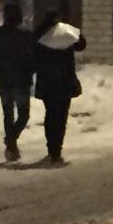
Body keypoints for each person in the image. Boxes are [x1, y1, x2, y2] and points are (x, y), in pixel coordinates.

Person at [33, 11, 86, 167]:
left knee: (50, 115)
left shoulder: (40, 36)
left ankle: (51, 148)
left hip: (47, 83)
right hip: (65, 82)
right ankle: (57, 149)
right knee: (61, 117)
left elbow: (32, 51)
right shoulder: (66, 34)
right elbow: (81, 45)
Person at [0, 3, 34, 162]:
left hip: (3, 80)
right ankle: (11, 141)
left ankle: (11, 146)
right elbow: (32, 57)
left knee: (8, 114)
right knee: (24, 114)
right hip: (21, 80)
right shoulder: (25, 35)